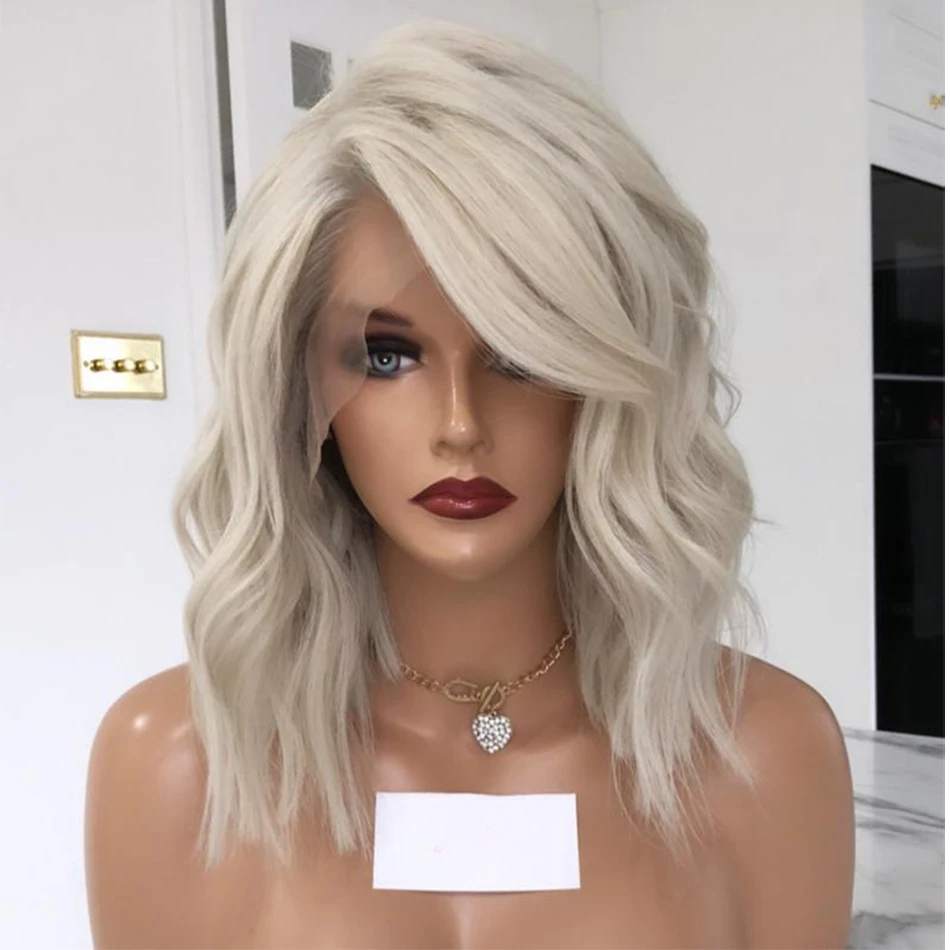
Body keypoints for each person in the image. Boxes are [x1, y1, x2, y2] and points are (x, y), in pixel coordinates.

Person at [84, 19, 855, 948]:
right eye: (386, 354)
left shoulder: (764, 755)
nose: (460, 423)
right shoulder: (177, 766)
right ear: (297, 385)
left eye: (521, 354)